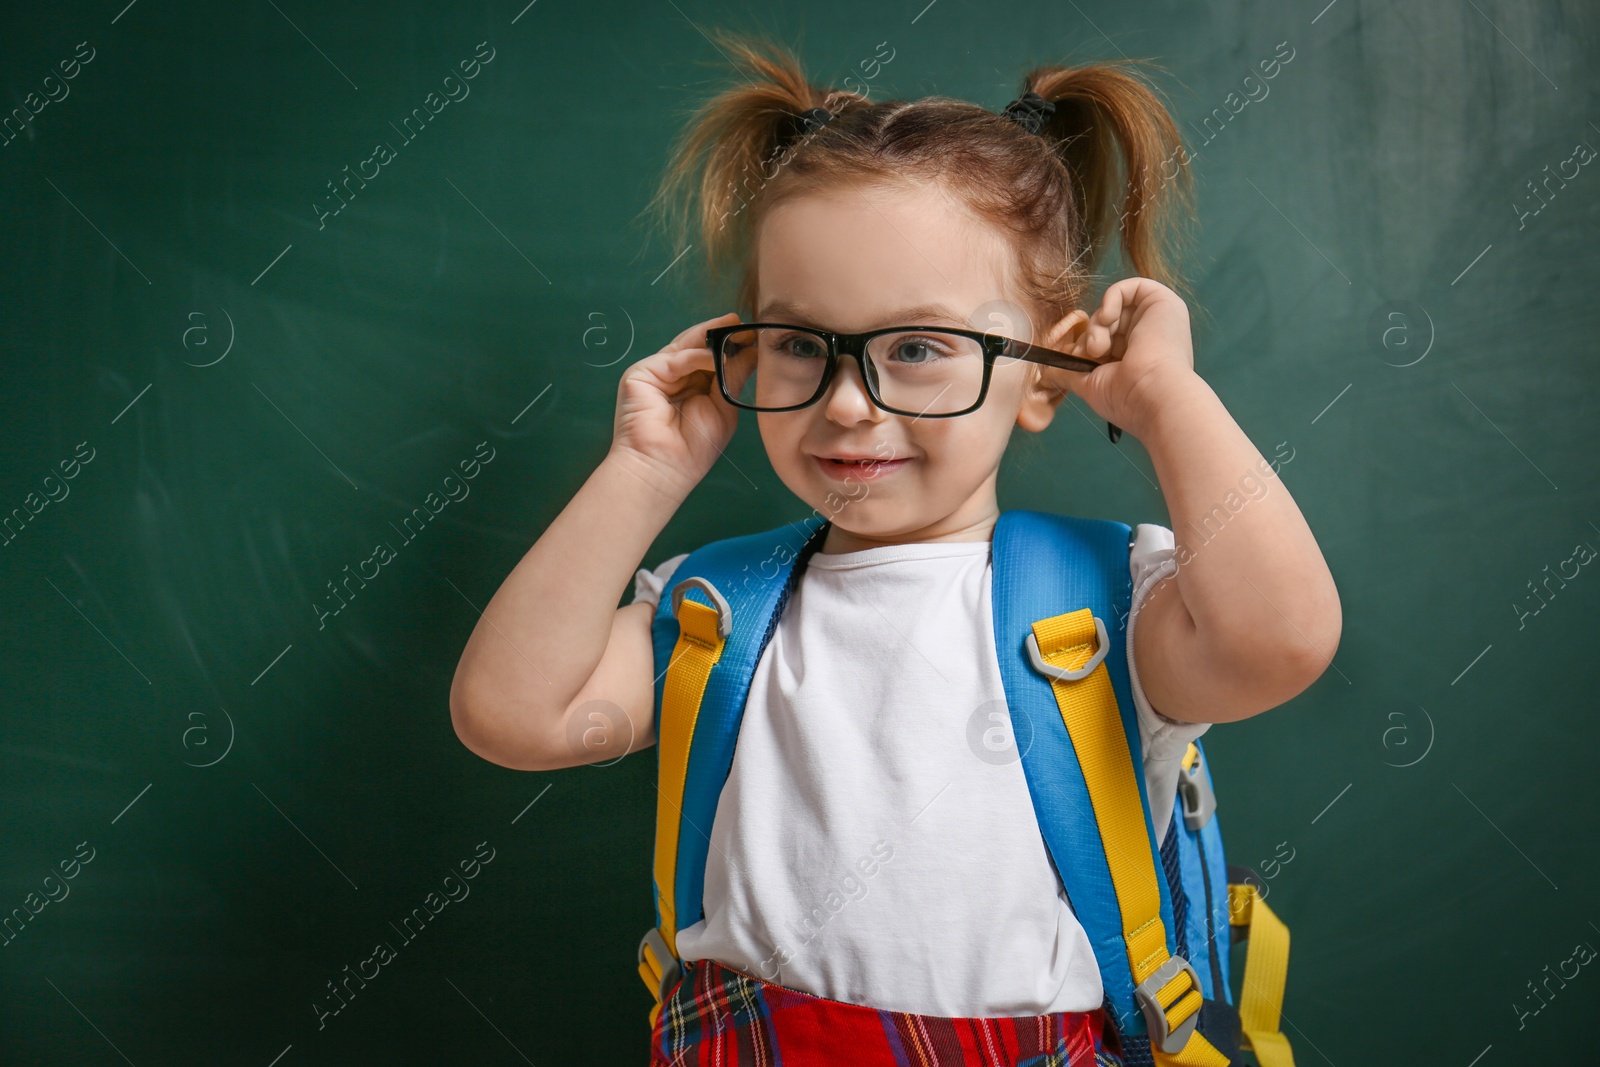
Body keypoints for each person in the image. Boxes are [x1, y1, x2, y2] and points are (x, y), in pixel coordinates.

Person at [449, 30, 1341, 1067]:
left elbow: (1281, 639)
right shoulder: (717, 607)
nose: (843, 402)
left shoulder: (1096, 605)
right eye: (797, 343)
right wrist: (643, 470)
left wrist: (1165, 399)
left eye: (916, 348)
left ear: (1047, 373)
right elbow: (512, 715)